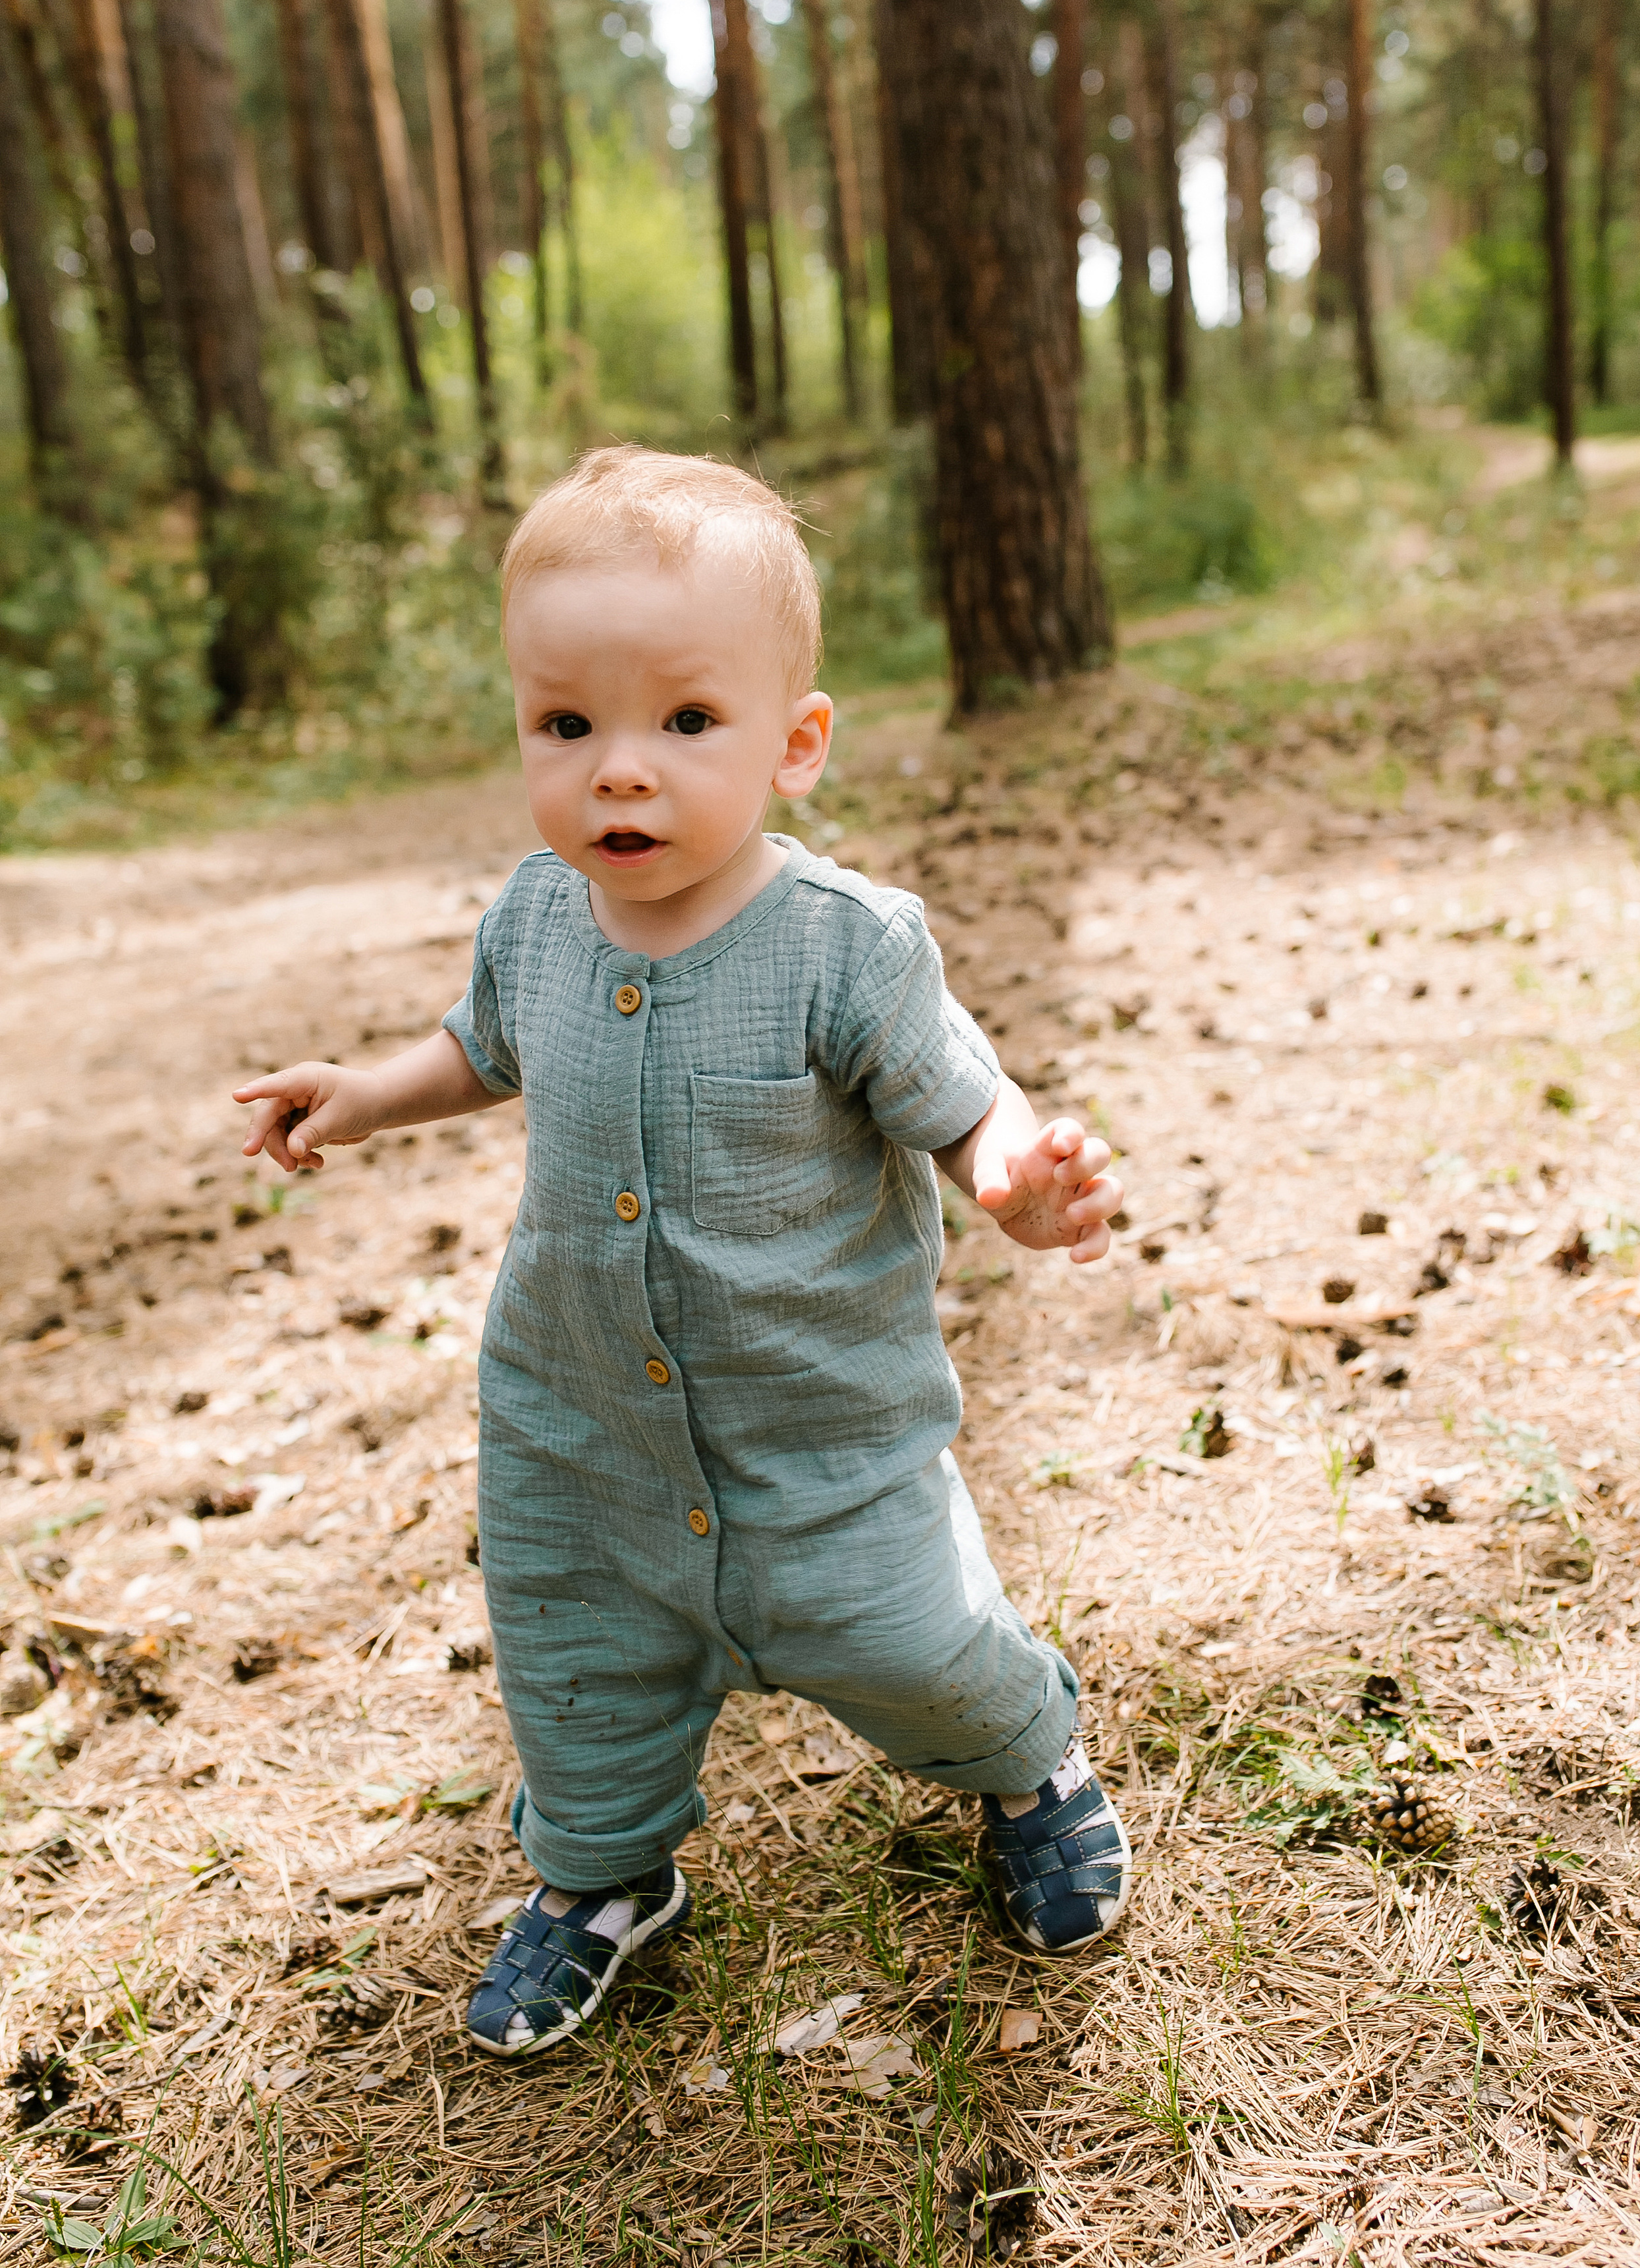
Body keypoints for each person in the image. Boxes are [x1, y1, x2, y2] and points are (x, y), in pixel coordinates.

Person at [234, 446, 1129, 2058]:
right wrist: (364, 1097)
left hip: (823, 1435)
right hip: (578, 1429)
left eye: (684, 724)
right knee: (577, 1672)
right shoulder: (535, 917)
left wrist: (1017, 1180)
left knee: (912, 1642)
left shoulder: (846, 945)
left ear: (794, 745)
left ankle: (1027, 1764)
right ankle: (601, 1877)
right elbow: (481, 1045)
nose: (618, 775)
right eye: (567, 727)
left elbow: (964, 1103)